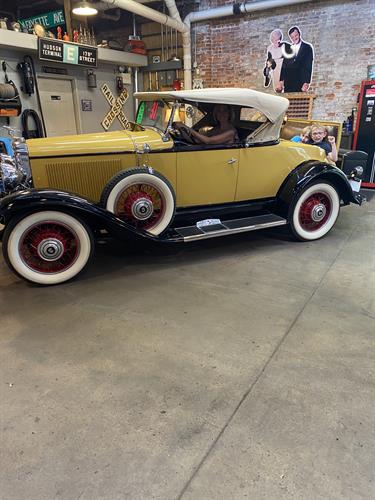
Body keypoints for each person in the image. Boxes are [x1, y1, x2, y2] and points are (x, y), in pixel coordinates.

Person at [173, 104, 238, 145]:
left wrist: (185, 127)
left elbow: (208, 141)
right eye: (218, 111)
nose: (221, 113)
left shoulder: (231, 132)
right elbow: (202, 137)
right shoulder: (217, 128)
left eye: (224, 110)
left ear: (229, 113)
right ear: (216, 114)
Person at [277, 26, 314, 93]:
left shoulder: (307, 47)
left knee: (300, 102)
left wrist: (307, 82)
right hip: (288, 82)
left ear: (299, 34)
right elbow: (284, 66)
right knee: (288, 102)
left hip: (301, 82)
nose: (294, 38)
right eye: (292, 37)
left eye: (296, 35)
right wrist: (281, 81)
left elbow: (309, 65)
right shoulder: (288, 50)